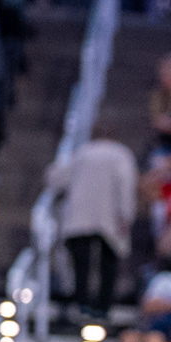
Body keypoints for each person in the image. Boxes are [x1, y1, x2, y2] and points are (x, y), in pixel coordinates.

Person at [46, 126, 139, 318]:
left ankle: (82, 304)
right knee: (108, 264)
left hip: (80, 215)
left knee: (81, 264)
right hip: (110, 218)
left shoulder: (82, 153)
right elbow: (126, 184)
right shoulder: (121, 154)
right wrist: (126, 214)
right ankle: (104, 307)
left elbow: (55, 178)